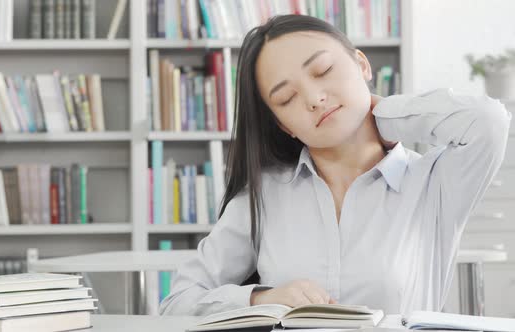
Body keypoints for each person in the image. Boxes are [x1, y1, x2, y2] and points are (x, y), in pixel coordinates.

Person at [159, 14, 511, 316]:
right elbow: (178, 302)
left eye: (323, 70)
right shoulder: (265, 195)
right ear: (283, 125)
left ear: (361, 64)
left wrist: (380, 114)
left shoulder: (432, 183)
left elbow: (488, 121)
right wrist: (262, 299)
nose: (313, 99)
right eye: (287, 98)